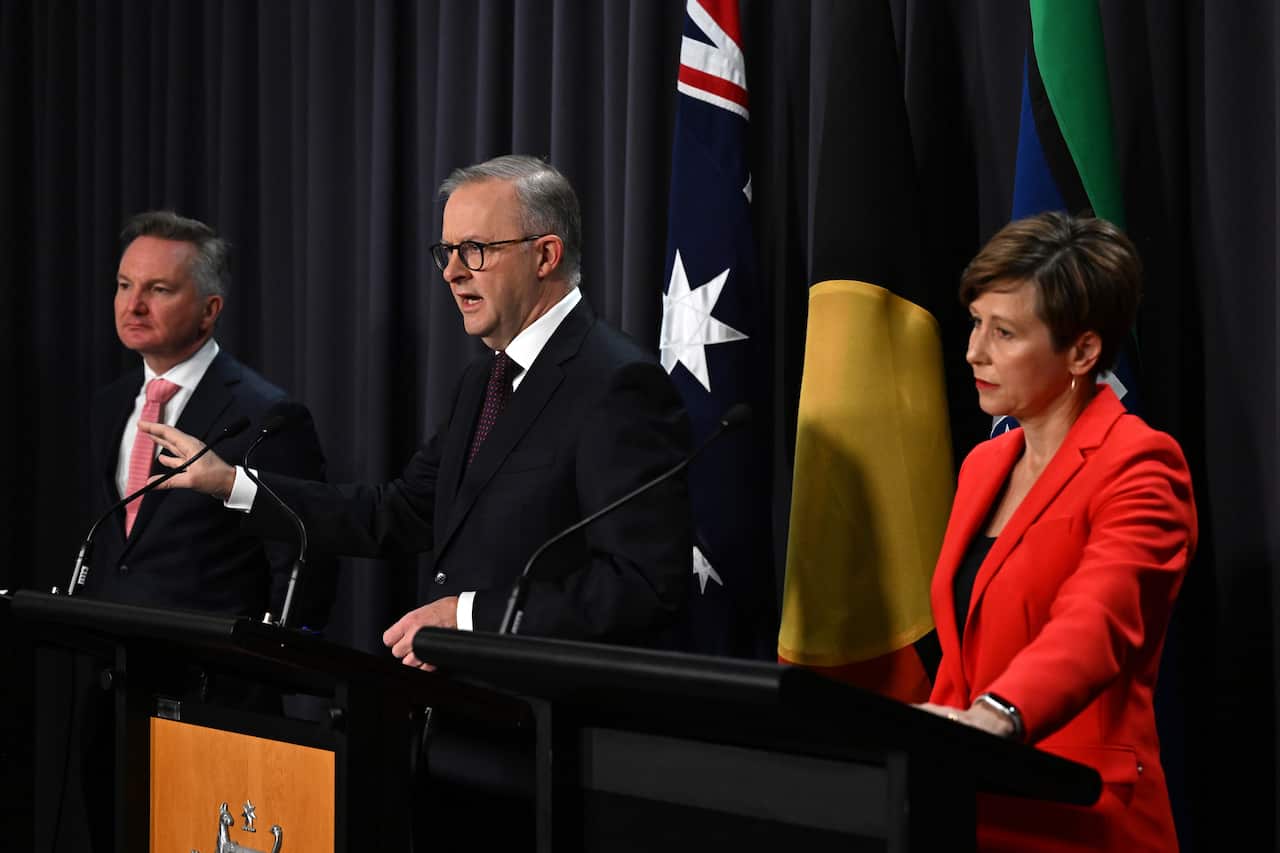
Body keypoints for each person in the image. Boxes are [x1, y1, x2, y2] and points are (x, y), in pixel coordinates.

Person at [139, 154, 693, 658]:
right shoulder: (486, 377)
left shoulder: (616, 383)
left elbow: (641, 585)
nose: (453, 271)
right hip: (458, 717)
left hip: (545, 734)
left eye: (475, 250)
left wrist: (471, 617)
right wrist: (229, 482)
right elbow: (397, 514)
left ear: (545, 255)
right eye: (447, 252)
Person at [914, 211, 1197, 850]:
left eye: (1005, 332)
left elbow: (1096, 622)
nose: (973, 351)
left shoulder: (1141, 465)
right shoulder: (984, 464)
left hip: (1080, 819)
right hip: (968, 810)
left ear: (1083, 351)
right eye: (975, 323)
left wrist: (998, 715)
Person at [86, 210, 335, 625]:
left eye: (158, 289)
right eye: (124, 285)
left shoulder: (266, 415)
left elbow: (300, 562)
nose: (134, 305)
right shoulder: (109, 403)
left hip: (213, 677)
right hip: (113, 665)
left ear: (209, 309)